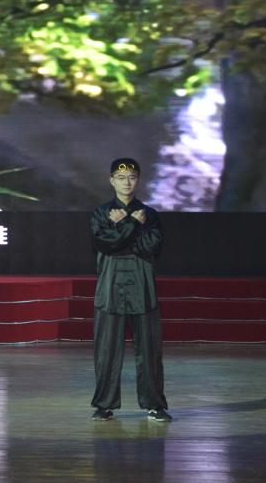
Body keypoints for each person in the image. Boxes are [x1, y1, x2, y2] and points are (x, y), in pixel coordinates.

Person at [89, 158, 171, 422]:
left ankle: (154, 405)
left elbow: (150, 247)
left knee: (149, 351)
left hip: (142, 288)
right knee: (106, 352)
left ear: (138, 181)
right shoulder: (101, 214)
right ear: (111, 180)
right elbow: (107, 243)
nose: (127, 182)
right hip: (110, 287)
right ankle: (104, 405)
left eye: (132, 177)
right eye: (121, 177)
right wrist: (133, 225)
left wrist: (123, 227)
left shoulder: (150, 214)